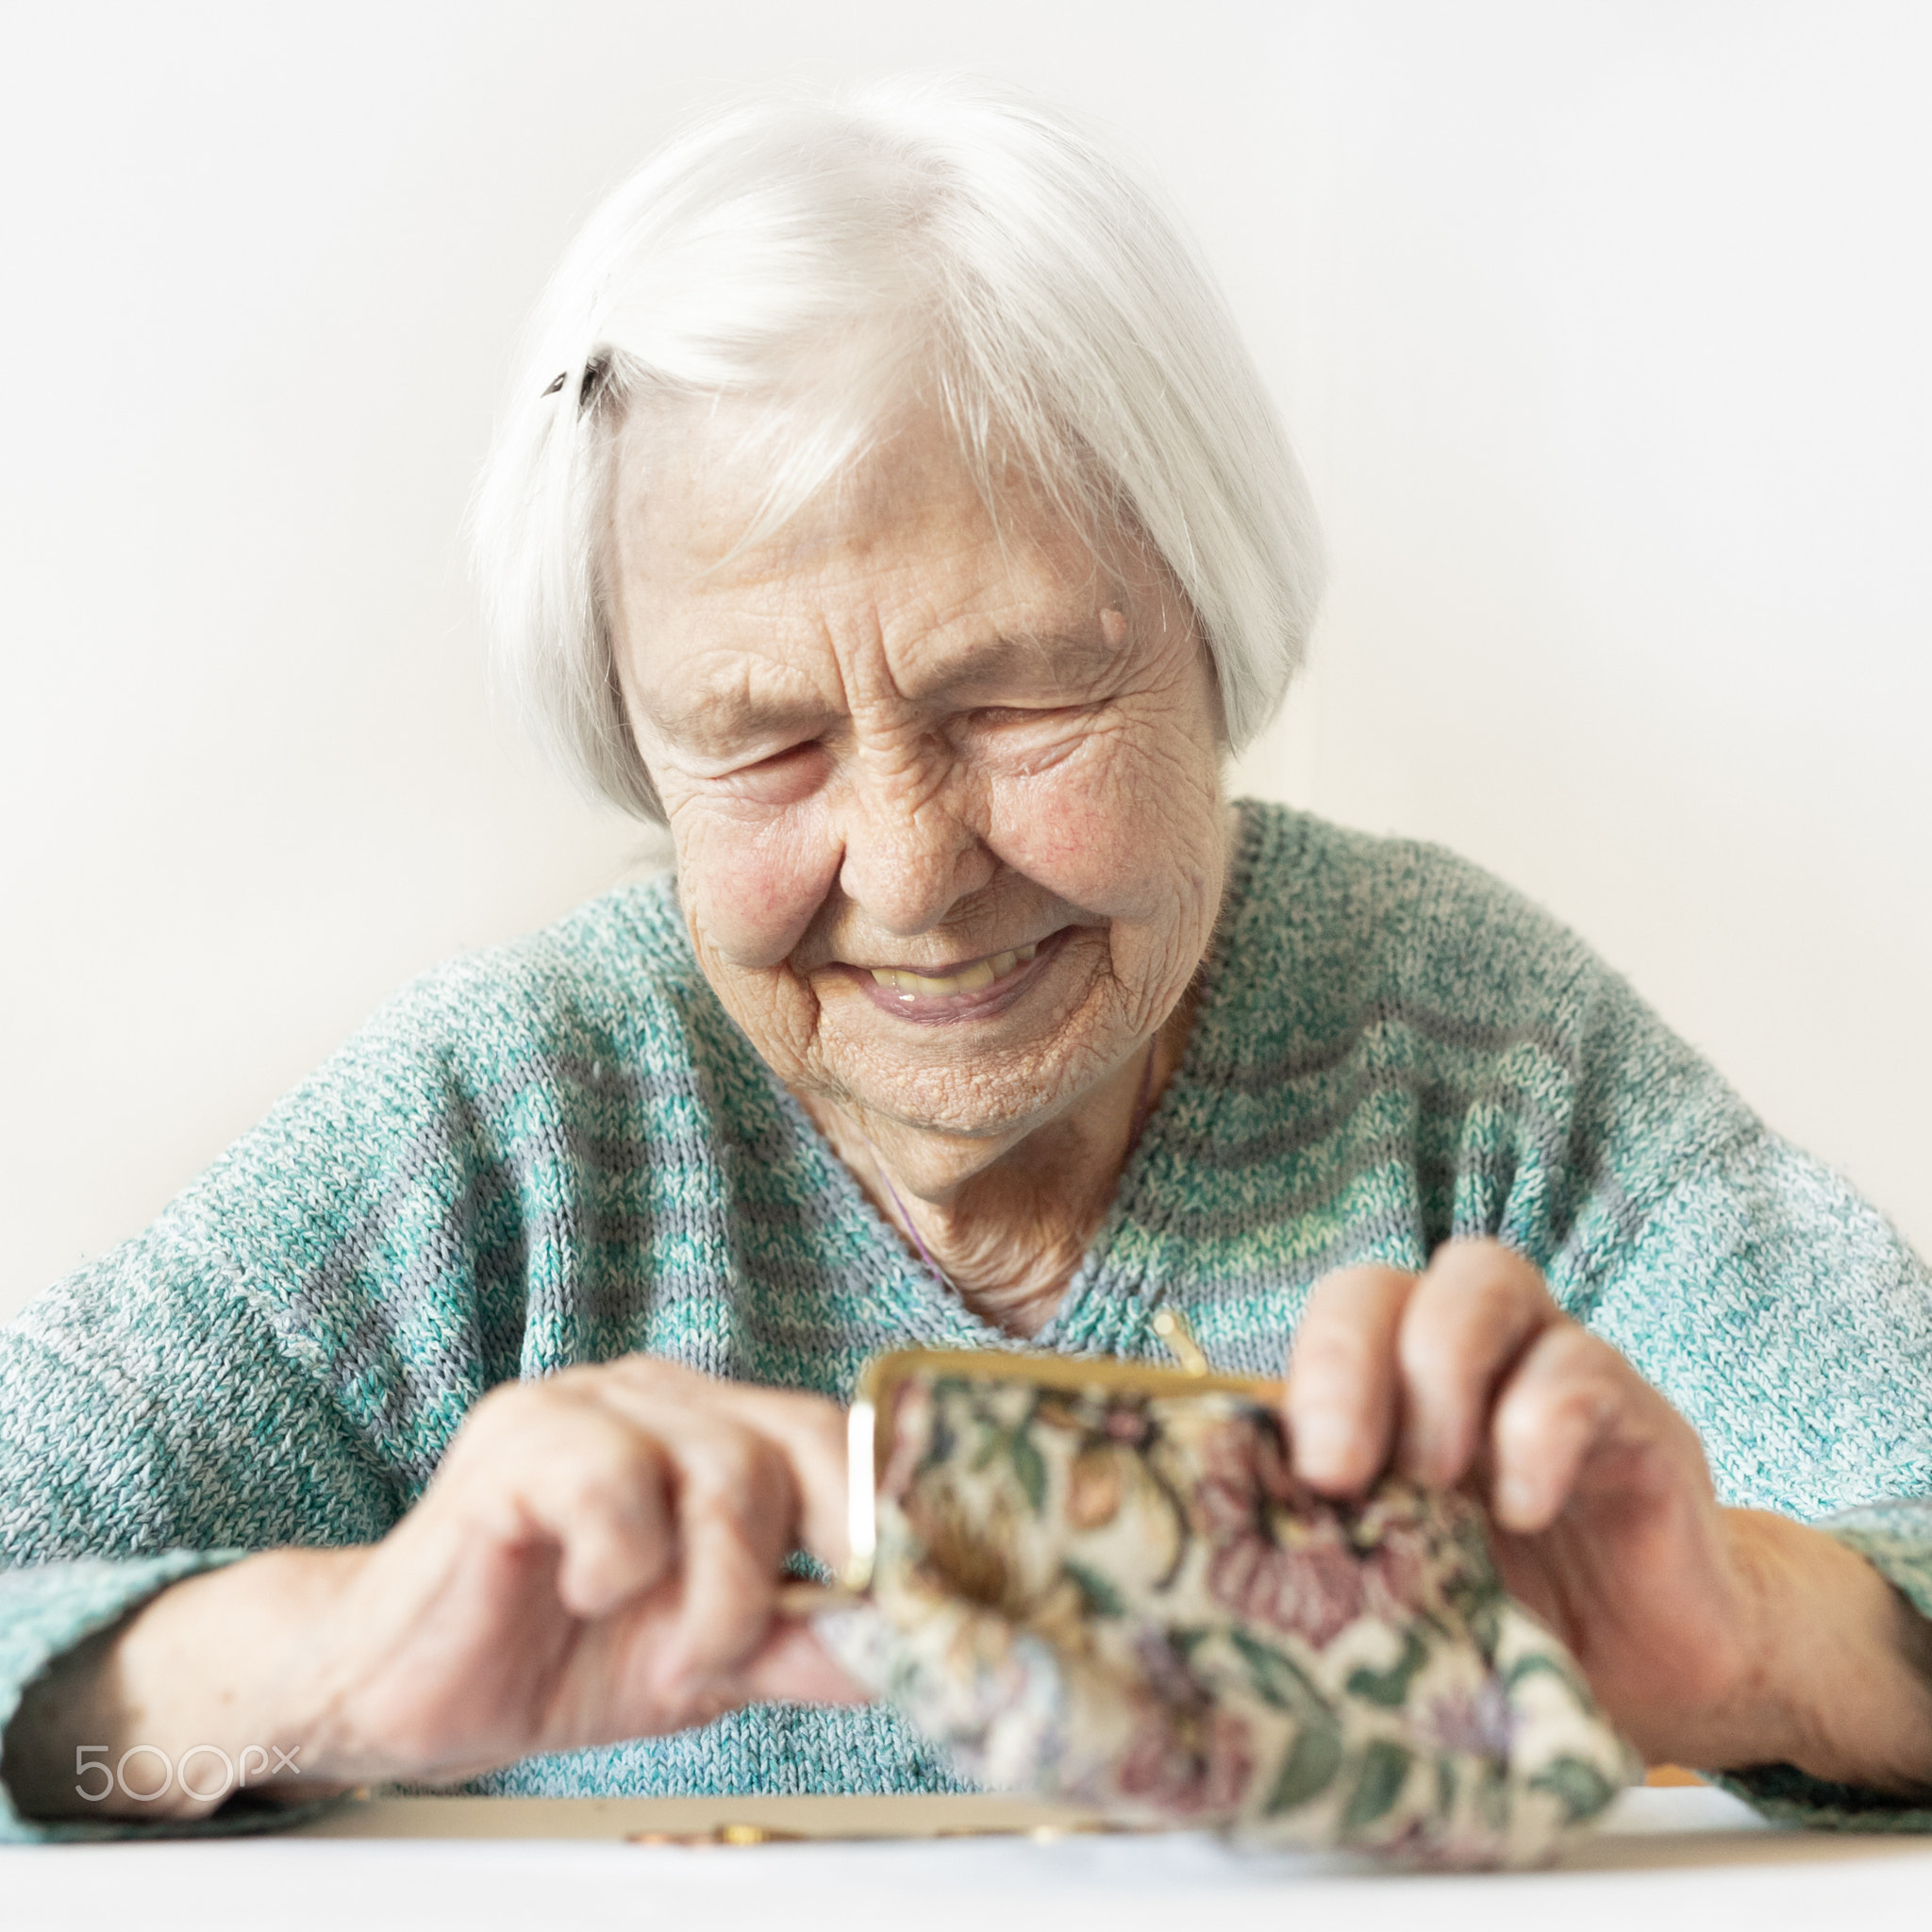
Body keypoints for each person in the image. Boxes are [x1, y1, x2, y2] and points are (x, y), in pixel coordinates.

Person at [3, 77, 1930, 1840]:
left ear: (1212, 642)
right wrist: (308, 1667)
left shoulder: (1473, 1056)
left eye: (1020, 703)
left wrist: (1760, 1636)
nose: (914, 877)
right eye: (763, 743)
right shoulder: (507, 1128)